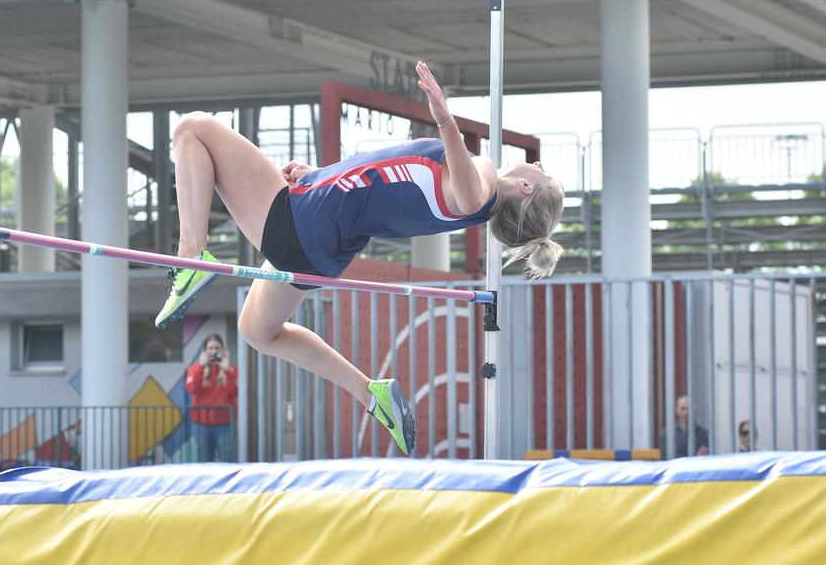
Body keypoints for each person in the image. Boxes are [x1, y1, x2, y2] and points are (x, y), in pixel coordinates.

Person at [156, 61, 566, 455]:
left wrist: (445, 119)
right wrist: (318, 175)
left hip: (309, 221)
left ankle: (190, 258)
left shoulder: (485, 181)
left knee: (192, 128)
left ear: (527, 188)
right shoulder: (475, 195)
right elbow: (382, 178)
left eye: (543, 174)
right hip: (321, 246)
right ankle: (370, 392)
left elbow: (468, 192)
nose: (539, 165)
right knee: (257, 331)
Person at [185, 334, 238, 462]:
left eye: (217, 348)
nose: (213, 351)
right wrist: (201, 367)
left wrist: (226, 371)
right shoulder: (195, 369)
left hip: (224, 424)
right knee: (204, 461)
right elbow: (192, 389)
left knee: (226, 461)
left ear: (222, 350)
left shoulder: (231, 369)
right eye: (210, 348)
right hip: (201, 424)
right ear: (205, 351)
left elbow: (234, 393)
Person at [659, 394, 710, 459]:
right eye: (683, 409)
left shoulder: (703, 433)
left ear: (695, 410)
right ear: (676, 410)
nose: (686, 412)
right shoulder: (666, 434)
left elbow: (705, 458)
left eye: (689, 408)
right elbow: (665, 458)